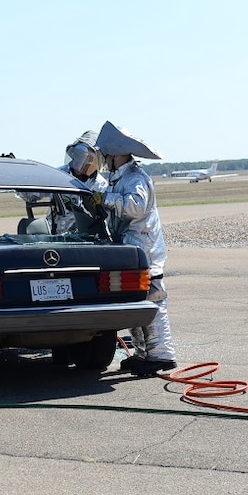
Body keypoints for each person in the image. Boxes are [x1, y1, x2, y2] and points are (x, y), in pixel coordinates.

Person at [90, 121, 177, 376]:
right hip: (132, 250)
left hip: (145, 251)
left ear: (115, 154)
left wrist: (107, 199)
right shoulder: (119, 178)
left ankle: (162, 355)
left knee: (153, 301)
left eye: (106, 155)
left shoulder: (137, 178)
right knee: (136, 303)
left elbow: (135, 208)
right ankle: (144, 354)